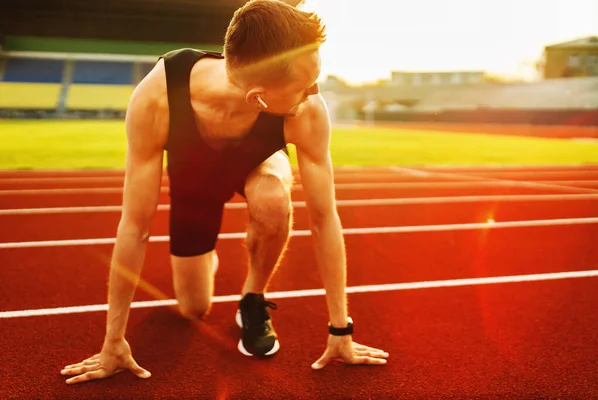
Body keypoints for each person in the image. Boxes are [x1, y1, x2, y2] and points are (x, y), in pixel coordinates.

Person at [60, 0, 388, 384]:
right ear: (258, 99)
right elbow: (135, 226)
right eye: (304, 85)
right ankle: (206, 261)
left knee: (272, 197)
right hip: (194, 180)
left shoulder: (307, 109)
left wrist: (340, 330)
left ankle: (252, 297)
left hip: (259, 163)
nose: (315, 90)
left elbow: (323, 218)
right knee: (193, 308)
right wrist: (112, 341)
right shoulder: (157, 98)